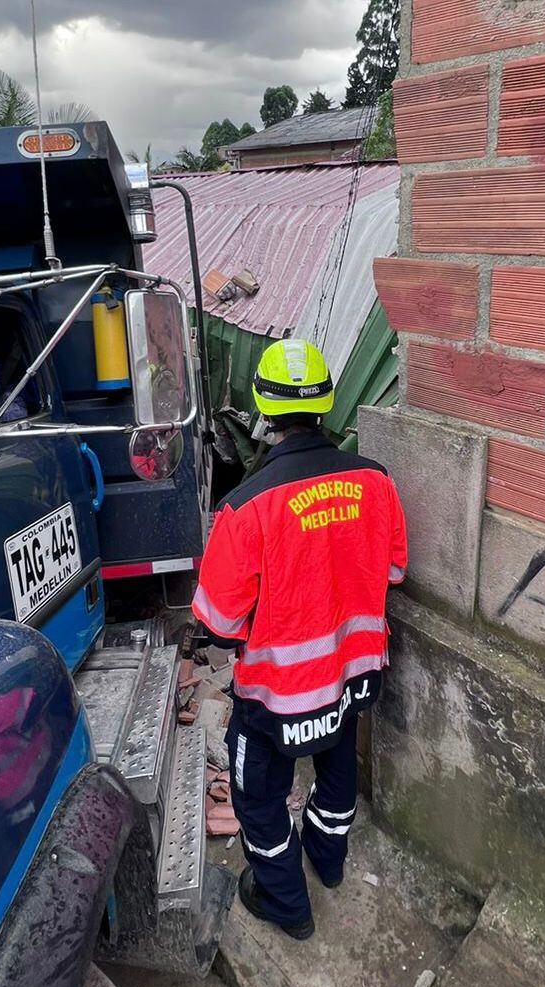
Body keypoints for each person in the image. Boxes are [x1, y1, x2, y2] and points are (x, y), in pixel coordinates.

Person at [192, 338, 407, 940]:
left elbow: (218, 622)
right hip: (353, 677)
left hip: (276, 696)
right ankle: (329, 862)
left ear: (262, 406)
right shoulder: (377, 482)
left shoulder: (245, 507)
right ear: (326, 404)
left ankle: (287, 903)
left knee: (257, 795)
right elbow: (391, 573)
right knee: (336, 762)